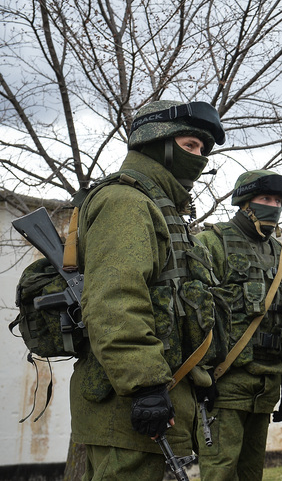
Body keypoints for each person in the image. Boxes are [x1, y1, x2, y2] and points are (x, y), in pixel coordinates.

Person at [70, 100, 225, 479]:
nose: (199, 158)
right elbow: (115, 300)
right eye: (190, 146)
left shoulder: (163, 207)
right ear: (157, 142)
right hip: (130, 407)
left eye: (203, 150)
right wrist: (145, 387)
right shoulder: (126, 202)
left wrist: (199, 379)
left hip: (165, 395)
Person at [194, 169, 282, 481]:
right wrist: (200, 380)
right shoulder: (211, 244)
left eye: (279, 201)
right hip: (224, 385)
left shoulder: (281, 256)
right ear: (245, 202)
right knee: (219, 474)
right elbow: (193, 319)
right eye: (266, 198)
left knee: (250, 475)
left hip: (266, 386)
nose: (273, 206)